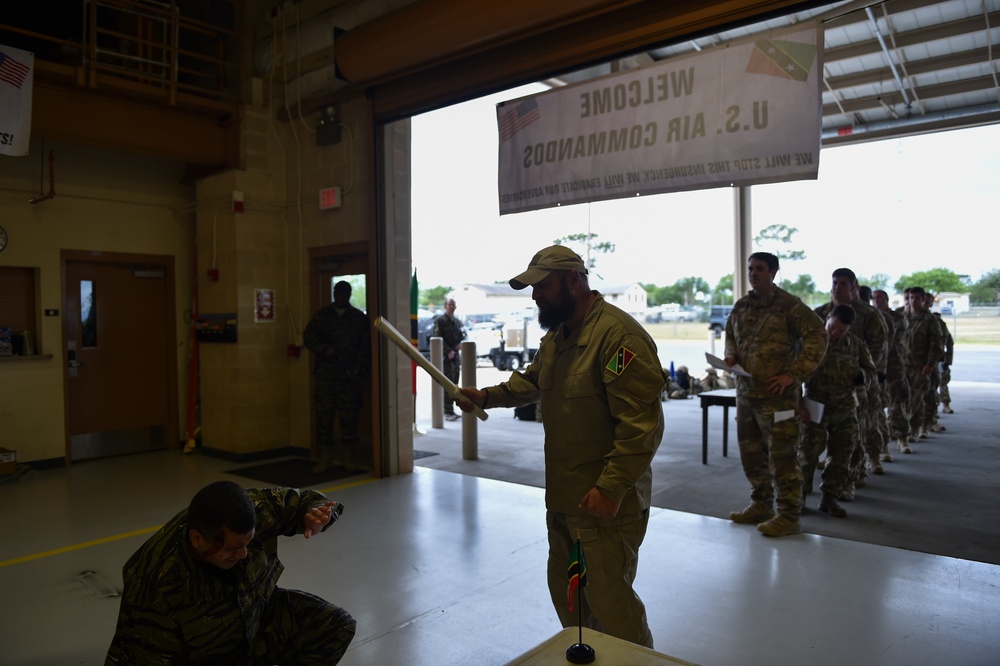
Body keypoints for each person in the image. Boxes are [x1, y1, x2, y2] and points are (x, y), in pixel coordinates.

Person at [456, 245, 664, 648]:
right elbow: (533, 380)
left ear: (575, 280)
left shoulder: (618, 338)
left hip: (606, 505)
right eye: (533, 288)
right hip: (566, 501)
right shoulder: (557, 337)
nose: (536, 296)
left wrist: (610, 487)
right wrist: (485, 396)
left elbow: (641, 426)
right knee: (570, 603)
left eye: (543, 286)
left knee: (611, 605)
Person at [106, 481, 355, 664]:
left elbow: (307, 501)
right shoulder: (154, 583)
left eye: (248, 543)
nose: (244, 555)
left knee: (334, 625)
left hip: (253, 619)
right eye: (235, 548)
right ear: (197, 539)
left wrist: (318, 515)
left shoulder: (256, 509)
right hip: (202, 654)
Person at [725, 252, 827, 537]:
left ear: (773, 272)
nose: (753, 274)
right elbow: (730, 334)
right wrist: (730, 355)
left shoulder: (788, 306)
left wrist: (794, 374)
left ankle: (789, 515)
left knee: (782, 457)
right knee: (751, 455)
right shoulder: (742, 306)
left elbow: (818, 335)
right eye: (750, 269)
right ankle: (761, 504)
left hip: (778, 398)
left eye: (759, 269)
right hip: (747, 393)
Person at [798, 304, 875, 519]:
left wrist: (861, 376)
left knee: (842, 453)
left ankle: (829, 497)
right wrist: (798, 403)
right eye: (832, 327)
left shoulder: (855, 345)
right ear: (828, 318)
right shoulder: (811, 343)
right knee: (807, 453)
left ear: (849, 329)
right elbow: (795, 374)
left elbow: (870, 370)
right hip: (815, 406)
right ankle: (799, 497)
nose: (834, 334)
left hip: (844, 408)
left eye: (841, 331)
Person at [304, 280, 371, 473]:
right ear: (334, 294)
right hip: (325, 377)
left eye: (345, 294)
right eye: (338, 293)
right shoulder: (322, 316)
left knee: (349, 418)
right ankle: (326, 458)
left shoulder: (358, 318)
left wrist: (357, 368)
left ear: (349, 295)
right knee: (324, 418)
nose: (341, 297)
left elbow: (365, 347)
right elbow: (309, 337)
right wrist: (325, 349)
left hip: (348, 379)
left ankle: (347, 458)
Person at [901, 286, 943, 451]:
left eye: (917, 298)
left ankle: (916, 428)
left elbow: (936, 344)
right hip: (902, 366)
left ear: (923, 300)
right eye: (911, 298)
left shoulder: (930, 320)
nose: (913, 301)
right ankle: (901, 427)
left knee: (917, 399)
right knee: (902, 399)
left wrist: (930, 364)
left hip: (920, 366)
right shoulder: (902, 317)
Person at [873, 289, 910, 461]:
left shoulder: (897, 319)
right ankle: (883, 446)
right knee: (878, 406)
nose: (876, 300)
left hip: (894, 366)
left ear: (887, 300)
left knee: (897, 404)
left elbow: (892, 340)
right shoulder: (871, 318)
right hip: (878, 368)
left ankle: (902, 438)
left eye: (880, 297)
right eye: (874, 298)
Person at [432, 298, 465, 421]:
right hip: (446, 357)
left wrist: (458, 346)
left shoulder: (456, 322)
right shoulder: (440, 321)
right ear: (445, 306)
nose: (451, 307)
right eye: (449, 304)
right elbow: (437, 337)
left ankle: (451, 410)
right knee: (447, 383)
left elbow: (461, 336)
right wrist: (448, 351)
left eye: (453, 305)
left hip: (455, 356)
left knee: (455, 384)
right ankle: (446, 411)